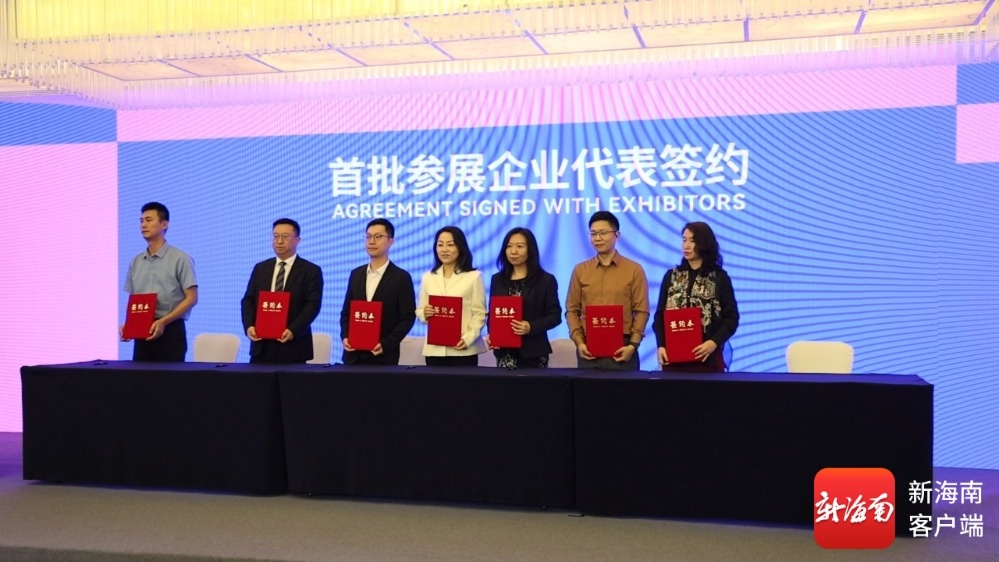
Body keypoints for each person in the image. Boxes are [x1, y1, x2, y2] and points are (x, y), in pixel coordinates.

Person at [565, 211, 649, 370]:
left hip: (623, 347)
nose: (597, 238)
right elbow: (572, 309)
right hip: (589, 347)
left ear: (617, 235)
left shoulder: (634, 270)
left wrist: (633, 345)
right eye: (593, 234)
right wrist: (579, 342)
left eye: (603, 233)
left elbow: (641, 310)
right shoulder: (580, 270)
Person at [653, 221, 739, 372]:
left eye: (692, 241)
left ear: (704, 244)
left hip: (707, 359)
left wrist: (713, 343)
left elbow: (731, 318)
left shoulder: (719, 278)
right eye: (684, 240)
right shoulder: (671, 276)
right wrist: (660, 345)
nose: (686, 246)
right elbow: (660, 316)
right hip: (673, 359)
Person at [120, 202, 198, 362]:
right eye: (141, 221)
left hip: (170, 330)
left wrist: (164, 321)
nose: (143, 225)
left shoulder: (180, 258)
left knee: (169, 377)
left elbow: (192, 298)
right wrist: (129, 323)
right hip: (142, 331)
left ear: (164, 224)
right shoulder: (136, 261)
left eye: (149, 220)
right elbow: (134, 297)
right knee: (139, 376)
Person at [240, 218, 324, 363]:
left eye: (285, 236)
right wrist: (249, 326)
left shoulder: (311, 271)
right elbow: (248, 300)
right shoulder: (261, 268)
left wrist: (293, 330)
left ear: (298, 240)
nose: (279, 241)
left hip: (294, 347)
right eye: (275, 236)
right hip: (261, 347)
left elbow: (312, 305)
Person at [340, 218, 417, 365]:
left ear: (391, 241)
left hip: (383, 357)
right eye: (368, 236)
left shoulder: (401, 277)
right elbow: (346, 312)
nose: (371, 241)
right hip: (353, 356)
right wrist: (345, 337)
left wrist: (387, 344)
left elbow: (407, 317)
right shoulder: (356, 274)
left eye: (378, 236)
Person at [486, 227, 562, 369]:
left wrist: (531, 327)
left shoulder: (545, 280)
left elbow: (555, 316)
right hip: (504, 352)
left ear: (530, 250)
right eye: (509, 246)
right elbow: (493, 312)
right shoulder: (497, 279)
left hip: (533, 353)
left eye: (519, 246)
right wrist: (491, 333)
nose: (513, 251)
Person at [415, 226, 487, 367]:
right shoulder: (428, 277)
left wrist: (468, 338)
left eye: (450, 244)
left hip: (463, 349)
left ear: (460, 247)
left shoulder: (474, 276)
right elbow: (420, 310)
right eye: (440, 245)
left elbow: (480, 313)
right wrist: (425, 314)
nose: (444, 249)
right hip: (434, 350)